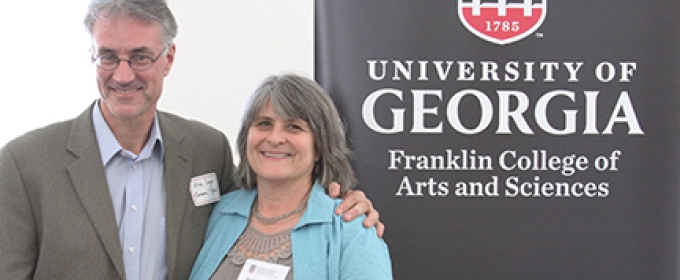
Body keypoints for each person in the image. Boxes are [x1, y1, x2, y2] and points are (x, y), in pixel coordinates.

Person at [0, 1, 382, 280]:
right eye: (108, 57)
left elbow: (277, 193)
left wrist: (347, 204)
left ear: (168, 59)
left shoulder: (205, 151)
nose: (122, 74)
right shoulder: (24, 163)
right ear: (91, 57)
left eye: (140, 57)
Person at [189, 74, 393, 280]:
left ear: (319, 148)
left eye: (294, 127)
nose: (275, 138)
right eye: (264, 124)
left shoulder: (351, 230)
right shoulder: (219, 214)